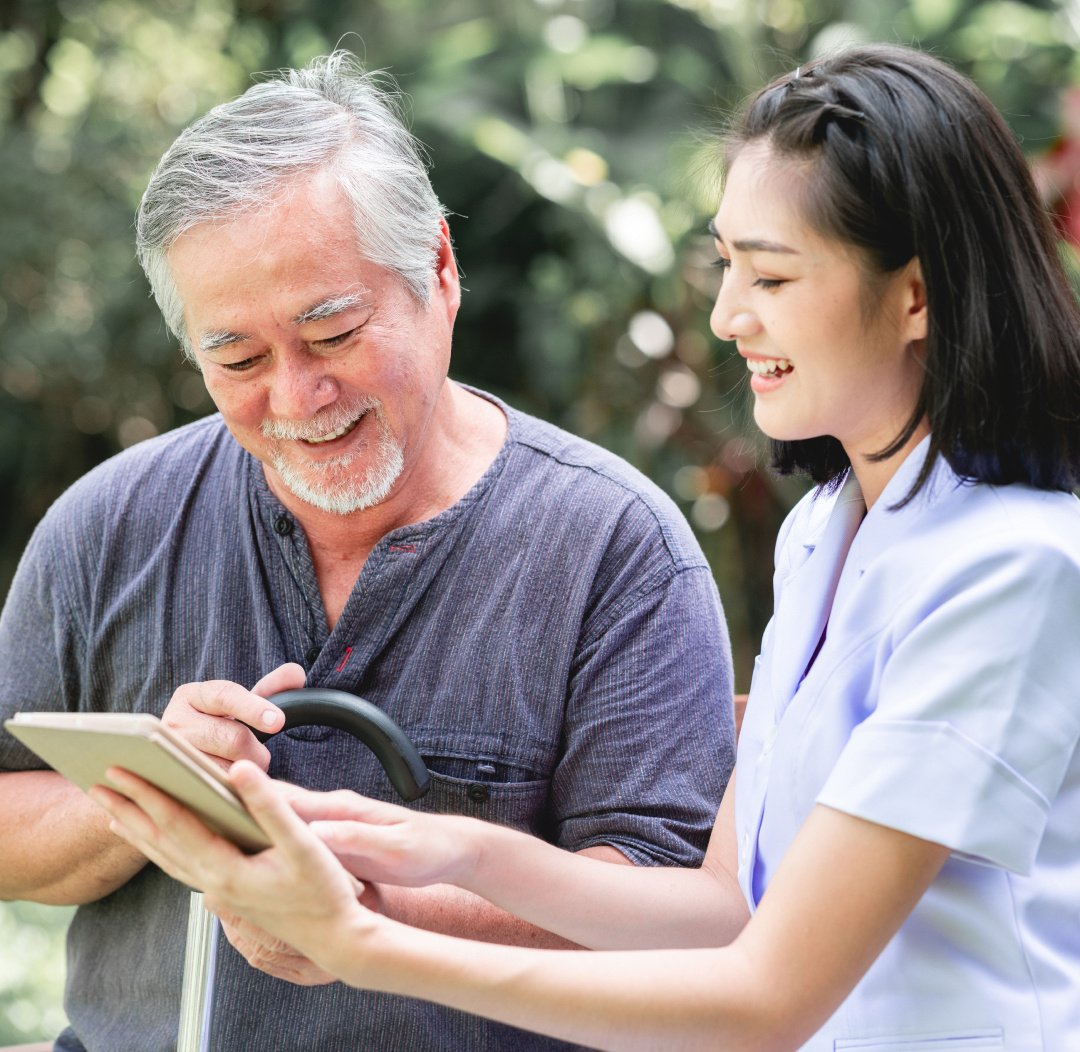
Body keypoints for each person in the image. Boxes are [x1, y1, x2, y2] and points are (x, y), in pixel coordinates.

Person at [95, 42, 1080, 1050]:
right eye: (727, 263)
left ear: (915, 295)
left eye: (772, 276)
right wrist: (444, 849)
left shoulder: (1011, 571)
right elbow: (721, 908)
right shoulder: (827, 530)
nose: (728, 315)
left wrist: (360, 941)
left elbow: (766, 996)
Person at [0, 52, 737, 1052]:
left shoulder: (616, 549)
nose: (299, 398)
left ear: (439, 269)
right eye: (239, 359)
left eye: (333, 331)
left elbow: (682, 927)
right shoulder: (108, 526)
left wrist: (373, 916)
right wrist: (148, 792)